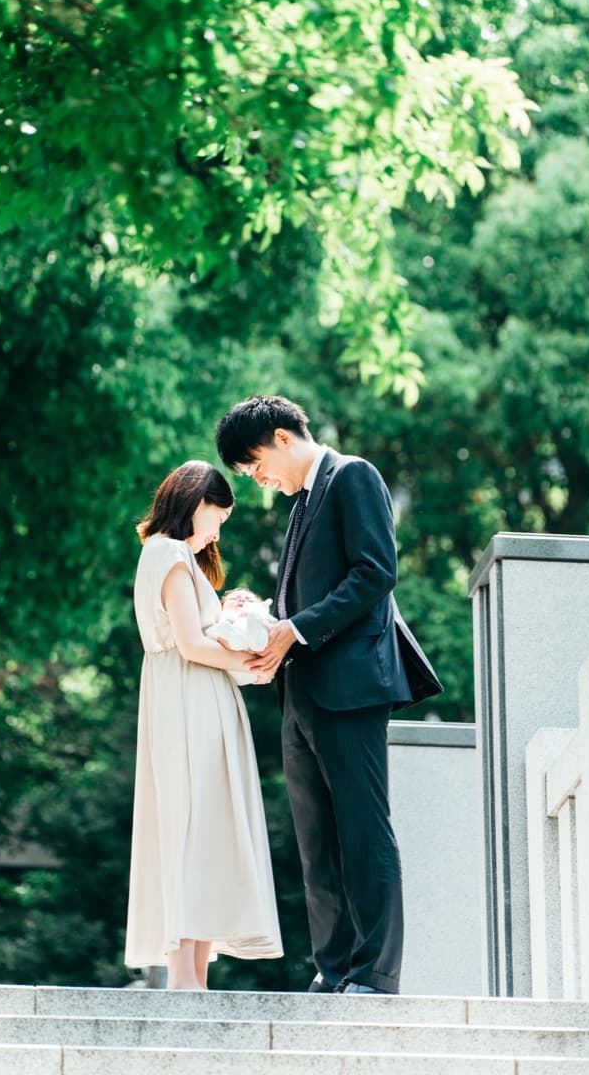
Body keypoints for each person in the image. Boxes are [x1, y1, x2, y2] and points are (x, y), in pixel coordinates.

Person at [215, 396, 441, 996]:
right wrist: (264, 621)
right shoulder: (300, 506)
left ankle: (374, 974)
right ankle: (333, 968)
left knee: (364, 831)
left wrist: (298, 629)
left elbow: (375, 573)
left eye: (254, 464)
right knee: (316, 844)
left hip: (351, 687)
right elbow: (305, 598)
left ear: (283, 437)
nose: (257, 479)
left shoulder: (353, 476)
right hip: (300, 692)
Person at [124, 460, 283, 990]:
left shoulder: (174, 560)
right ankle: (183, 976)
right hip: (189, 700)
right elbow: (191, 645)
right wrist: (251, 661)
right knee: (194, 824)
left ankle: (191, 973)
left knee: (196, 827)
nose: (217, 531)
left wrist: (231, 618)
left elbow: (197, 634)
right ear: (194, 504)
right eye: (217, 517)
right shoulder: (168, 553)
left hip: (190, 697)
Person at [207, 587, 277, 663]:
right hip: (235, 636)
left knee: (263, 632)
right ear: (222, 605)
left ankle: (256, 639)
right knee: (225, 633)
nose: (242, 600)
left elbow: (273, 625)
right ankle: (236, 638)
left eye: (250, 600)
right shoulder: (226, 613)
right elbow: (218, 627)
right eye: (233, 599)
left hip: (258, 633)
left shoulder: (261, 613)